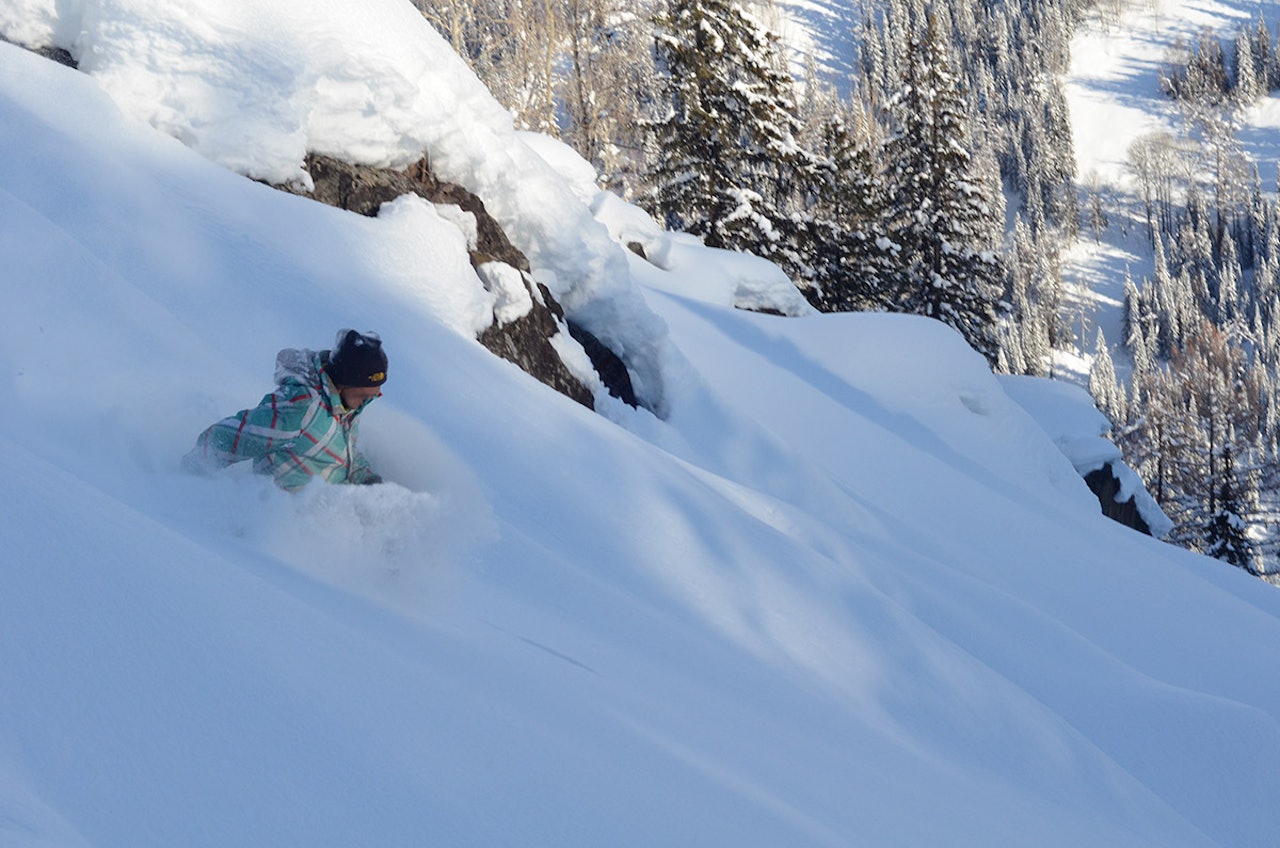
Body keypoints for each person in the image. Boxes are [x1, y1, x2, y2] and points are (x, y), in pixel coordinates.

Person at [184, 329, 388, 490]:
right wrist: (188, 474)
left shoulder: (346, 405)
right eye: (363, 396)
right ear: (343, 383)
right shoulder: (300, 409)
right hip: (283, 516)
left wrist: (365, 479)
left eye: (372, 396)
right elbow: (230, 438)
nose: (367, 402)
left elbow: (344, 450)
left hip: (329, 510)